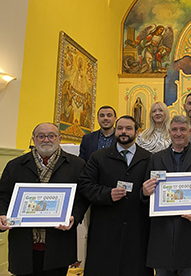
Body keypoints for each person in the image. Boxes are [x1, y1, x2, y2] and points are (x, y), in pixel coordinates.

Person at [0, 123, 88, 276]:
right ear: (34, 139)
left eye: (51, 136)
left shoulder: (77, 165)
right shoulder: (15, 166)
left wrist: (74, 216)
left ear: (59, 138)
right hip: (23, 244)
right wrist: (1, 214)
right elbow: (3, 195)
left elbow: (83, 198)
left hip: (59, 244)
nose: (46, 140)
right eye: (41, 136)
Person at [78, 115, 153, 276]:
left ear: (137, 132)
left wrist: (145, 194)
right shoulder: (98, 157)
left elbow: (155, 190)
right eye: (120, 128)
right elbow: (85, 185)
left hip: (137, 227)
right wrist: (107, 193)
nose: (123, 132)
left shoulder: (149, 158)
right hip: (105, 226)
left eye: (128, 128)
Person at [142, 115, 191, 276]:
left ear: (190, 131)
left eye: (182, 129)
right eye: (174, 129)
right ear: (169, 132)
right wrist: (144, 192)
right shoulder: (155, 158)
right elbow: (146, 193)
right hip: (162, 231)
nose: (178, 133)